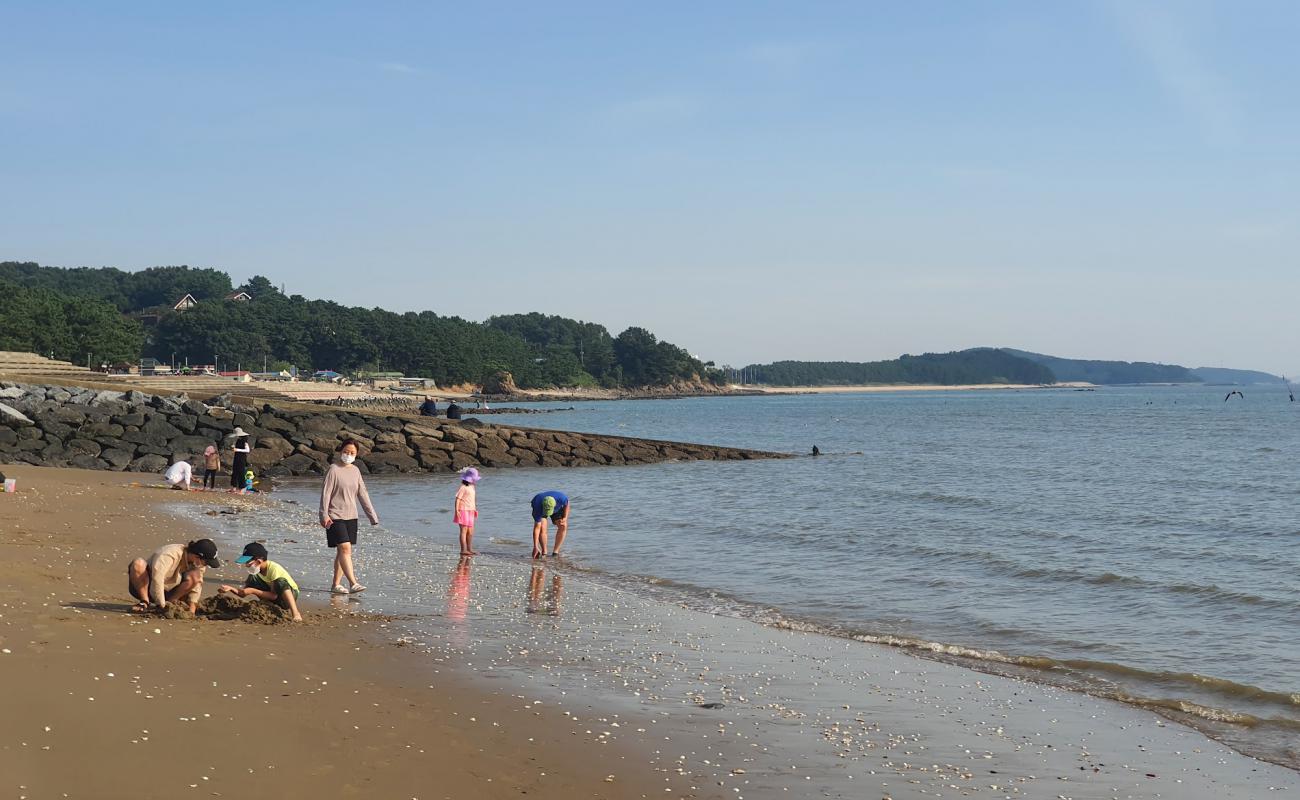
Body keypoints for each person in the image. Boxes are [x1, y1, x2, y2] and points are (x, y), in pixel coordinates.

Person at [320, 439, 379, 594]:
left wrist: (372, 516)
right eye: (346, 452)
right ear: (341, 451)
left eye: (352, 453)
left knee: (342, 551)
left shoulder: (355, 471)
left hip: (351, 516)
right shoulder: (333, 469)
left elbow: (362, 493)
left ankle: (336, 585)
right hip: (334, 515)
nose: (348, 455)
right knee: (345, 548)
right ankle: (353, 583)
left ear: (356, 454)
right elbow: (326, 494)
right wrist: (323, 515)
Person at [126, 539, 221, 614]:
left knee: (195, 576)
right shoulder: (170, 554)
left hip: (170, 591)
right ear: (197, 557)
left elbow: (197, 584)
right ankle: (144, 602)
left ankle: (170, 603)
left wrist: (192, 607)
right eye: (206, 562)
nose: (206, 565)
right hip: (146, 587)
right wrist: (161, 605)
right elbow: (157, 579)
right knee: (138, 563)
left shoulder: (198, 564)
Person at [219, 542, 303, 622]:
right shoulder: (255, 574)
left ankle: (295, 613)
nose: (246, 565)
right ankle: (267, 605)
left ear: (259, 561)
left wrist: (253, 591)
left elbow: (274, 596)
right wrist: (230, 588)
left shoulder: (274, 569)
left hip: (288, 597)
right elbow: (243, 593)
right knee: (252, 579)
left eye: (248, 562)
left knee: (280, 581)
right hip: (273, 597)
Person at [530, 490, 571, 559]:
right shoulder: (537, 505)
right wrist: (535, 546)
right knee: (542, 529)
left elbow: (567, 505)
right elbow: (536, 528)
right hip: (540, 508)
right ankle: (544, 552)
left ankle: (555, 552)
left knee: (563, 526)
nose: (548, 513)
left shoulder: (562, 498)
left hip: (557, 509)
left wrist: (565, 518)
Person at [454, 467, 480, 555]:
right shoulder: (463, 487)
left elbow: (472, 499)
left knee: (470, 531)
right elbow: (458, 499)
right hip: (463, 510)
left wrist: (475, 509)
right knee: (464, 530)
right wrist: (456, 510)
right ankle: (463, 549)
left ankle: (469, 548)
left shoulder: (472, 487)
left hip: (471, 511)